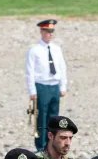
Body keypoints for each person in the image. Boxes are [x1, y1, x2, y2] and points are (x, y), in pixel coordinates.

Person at [26, 19, 67, 150]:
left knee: (54, 117)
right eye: (48, 31)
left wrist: (63, 86)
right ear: (42, 32)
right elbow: (30, 71)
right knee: (42, 117)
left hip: (54, 85)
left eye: (52, 31)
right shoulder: (34, 50)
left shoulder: (56, 49)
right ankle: (41, 145)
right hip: (42, 85)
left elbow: (62, 67)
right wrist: (32, 90)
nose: (50, 34)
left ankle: (51, 144)